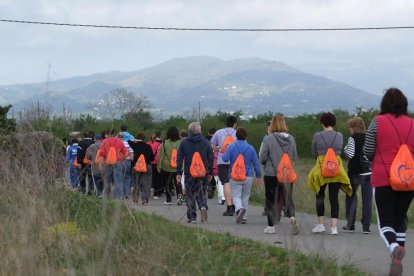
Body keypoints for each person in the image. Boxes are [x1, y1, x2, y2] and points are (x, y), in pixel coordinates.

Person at [364, 88, 414, 276]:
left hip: (383, 178)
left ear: (384, 104)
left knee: (385, 223)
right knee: (399, 219)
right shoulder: (413, 124)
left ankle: (394, 248)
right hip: (408, 180)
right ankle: (396, 260)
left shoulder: (377, 122)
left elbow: (368, 151)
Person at [308, 112, 352, 235]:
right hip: (336, 168)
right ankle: (334, 228)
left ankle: (321, 224)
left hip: (322, 168)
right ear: (334, 123)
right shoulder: (339, 135)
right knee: (334, 198)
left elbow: (313, 153)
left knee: (320, 195)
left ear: (322, 122)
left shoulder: (317, 135)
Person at [259, 115, 300, 234]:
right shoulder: (291, 138)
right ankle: (292, 217)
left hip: (271, 174)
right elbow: (294, 156)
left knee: (270, 199)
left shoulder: (268, 139)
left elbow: (263, 157)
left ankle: (271, 226)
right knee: (288, 198)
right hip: (286, 173)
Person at [176, 122, 213, 223]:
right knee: (201, 192)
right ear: (199, 130)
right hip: (203, 172)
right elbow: (211, 157)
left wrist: (179, 172)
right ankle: (203, 207)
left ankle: (192, 217)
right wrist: (210, 172)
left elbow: (179, 158)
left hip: (189, 172)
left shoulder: (184, 142)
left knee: (190, 194)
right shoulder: (206, 142)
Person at [222, 127, 261, 224]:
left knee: (236, 195)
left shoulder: (231, 146)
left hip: (234, 176)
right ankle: (244, 218)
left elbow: (225, 159)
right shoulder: (251, 148)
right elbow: (256, 164)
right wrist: (259, 175)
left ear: (236, 136)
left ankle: (239, 210)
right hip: (248, 176)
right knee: (245, 196)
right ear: (246, 136)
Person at [343, 117, 372, 234]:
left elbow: (350, 154)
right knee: (367, 200)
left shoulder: (352, 138)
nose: (349, 129)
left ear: (353, 127)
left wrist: (345, 148)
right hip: (368, 172)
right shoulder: (368, 138)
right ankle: (366, 226)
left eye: (350, 127)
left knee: (351, 198)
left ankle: (350, 224)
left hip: (354, 173)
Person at [210, 115, 238, 216]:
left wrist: (219, 150)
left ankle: (229, 207)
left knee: (225, 183)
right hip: (235, 162)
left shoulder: (219, 132)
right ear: (235, 123)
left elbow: (212, 145)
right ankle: (236, 206)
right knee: (234, 184)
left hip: (222, 161)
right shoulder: (237, 133)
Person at [98, 129, 128, 199]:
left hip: (107, 162)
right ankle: (117, 198)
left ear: (107, 134)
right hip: (117, 162)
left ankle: (107, 197)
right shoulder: (119, 141)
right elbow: (125, 153)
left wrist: (100, 165)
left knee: (107, 180)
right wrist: (122, 159)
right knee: (118, 180)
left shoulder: (105, 142)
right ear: (114, 134)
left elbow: (102, 154)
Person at [129, 132, 154, 205]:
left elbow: (129, 141)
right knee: (146, 183)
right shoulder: (148, 146)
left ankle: (135, 199)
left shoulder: (135, 145)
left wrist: (135, 140)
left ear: (137, 138)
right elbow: (152, 157)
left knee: (136, 182)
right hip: (147, 165)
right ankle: (145, 200)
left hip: (136, 166)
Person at [157, 126, 181, 205]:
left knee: (167, 183)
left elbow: (161, 155)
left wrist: (159, 166)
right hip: (178, 165)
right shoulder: (180, 142)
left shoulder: (164, 142)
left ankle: (169, 199)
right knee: (177, 182)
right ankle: (179, 198)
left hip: (166, 166)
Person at [118, 132, 134, 199]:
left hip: (119, 161)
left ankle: (120, 194)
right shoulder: (127, 143)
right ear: (123, 137)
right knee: (127, 177)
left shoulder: (116, 143)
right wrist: (131, 160)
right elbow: (131, 152)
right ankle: (126, 193)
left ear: (118, 137)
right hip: (127, 161)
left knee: (119, 177)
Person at [147, 135, 162, 199]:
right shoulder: (159, 145)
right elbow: (160, 154)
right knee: (157, 178)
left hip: (149, 162)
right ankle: (157, 193)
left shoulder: (147, 144)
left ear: (150, 139)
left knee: (149, 177)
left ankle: (149, 190)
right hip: (156, 163)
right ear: (156, 139)